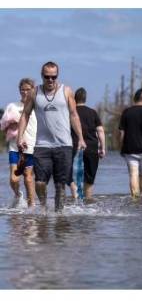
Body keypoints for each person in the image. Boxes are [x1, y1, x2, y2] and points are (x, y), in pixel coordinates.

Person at [17, 62, 86, 212]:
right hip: (42, 145)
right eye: (47, 77)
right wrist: (19, 137)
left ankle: (58, 215)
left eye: (53, 77)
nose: (50, 80)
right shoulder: (34, 93)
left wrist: (80, 138)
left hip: (64, 145)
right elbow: (25, 115)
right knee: (40, 182)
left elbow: (74, 115)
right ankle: (43, 208)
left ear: (57, 76)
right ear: (42, 76)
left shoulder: (66, 91)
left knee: (60, 185)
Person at [1, 79, 38, 208]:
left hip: (32, 147)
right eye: (23, 89)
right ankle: (18, 195)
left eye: (28, 89)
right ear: (19, 90)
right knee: (14, 178)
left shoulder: (37, 107)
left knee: (28, 177)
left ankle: (31, 206)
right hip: (14, 146)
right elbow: (2, 126)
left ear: (33, 90)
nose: (25, 92)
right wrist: (12, 123)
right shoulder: (12, 106)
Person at [68, 88, 105, 201]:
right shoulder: (93, 112)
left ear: (75, 98)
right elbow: (100, 131)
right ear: (85, 98)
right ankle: (88, 203)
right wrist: (102, 148)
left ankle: (76, 199)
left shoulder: (70, 112)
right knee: (89, 178)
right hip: (91, 148)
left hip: (73, 147)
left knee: (72, 177)